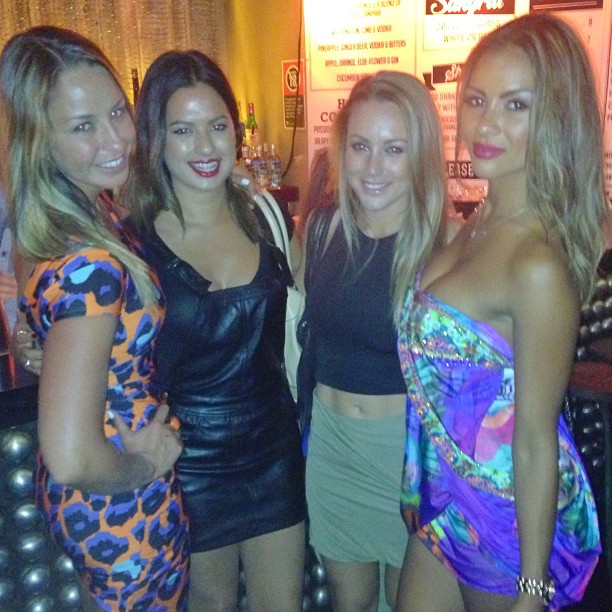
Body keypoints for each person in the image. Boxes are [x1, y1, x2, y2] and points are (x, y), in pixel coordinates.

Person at [395, 14, 604, 612]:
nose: (485, 124)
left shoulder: (536, 265)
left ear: (556, 118)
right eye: (477, 99)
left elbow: (535, 438)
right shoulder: (477, 222)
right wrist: (415, 479)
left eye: (516, 105)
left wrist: (532, 591)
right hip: (444, 502)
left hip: (506, 522)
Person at [0, 26, 190, 611]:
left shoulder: (65, 218)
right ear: (41, 141)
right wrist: (146, 464)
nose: (116, 139)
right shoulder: (92, 265)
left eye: (116, 112)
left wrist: (34, 340)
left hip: (96, 504)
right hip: (119, 500)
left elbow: (40, 317)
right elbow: (70, 455)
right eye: (83, 127)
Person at [127, 50, 306, 611]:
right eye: (183, 130)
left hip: (274, 451)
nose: (205, 146)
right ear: (156, 139)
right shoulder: (132, 244)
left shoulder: (267, 217)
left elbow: (312, 309)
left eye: (217, 126)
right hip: (187, 463)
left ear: (235, 130)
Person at [302, 71, 447, 612]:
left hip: (407, 456)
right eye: (360, 146)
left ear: (420, 155)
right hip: (332, 447)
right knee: (351, 603)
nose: (373, 167)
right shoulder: (322, 229)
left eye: (394, 149)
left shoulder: (445, 247)